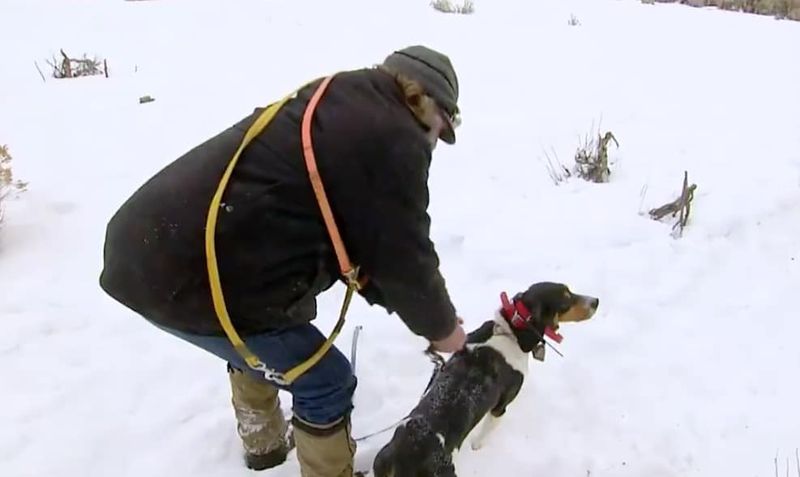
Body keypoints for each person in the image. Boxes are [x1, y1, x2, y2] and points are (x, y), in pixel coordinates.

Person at [98, 45, 467, 477]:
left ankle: (265, 445)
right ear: (427, 102)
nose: (437, 140)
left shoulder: (341, 98)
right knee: (325, 378)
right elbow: (403, 254)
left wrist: (408, 306)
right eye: (443, 127)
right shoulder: (395, 136)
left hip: (150, 246)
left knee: (264, 331)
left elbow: (363, 237)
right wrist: (442, 329)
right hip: (191, 273)